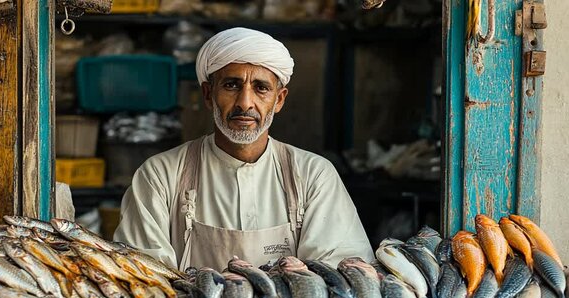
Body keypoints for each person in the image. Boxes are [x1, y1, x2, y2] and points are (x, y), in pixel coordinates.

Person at [114, 27, 374, 271]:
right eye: (231, 85)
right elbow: (143, 275)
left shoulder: (313, 175)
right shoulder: (161, 174)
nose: (245, 102)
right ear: (208, 94)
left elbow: (338, 274)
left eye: (261, 88)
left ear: (279, 99)